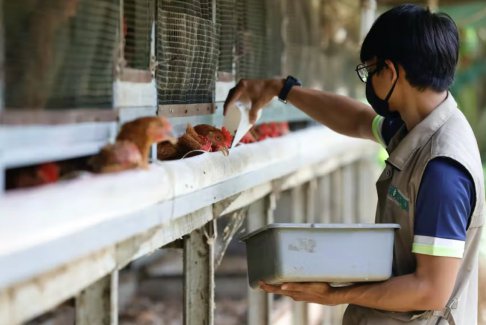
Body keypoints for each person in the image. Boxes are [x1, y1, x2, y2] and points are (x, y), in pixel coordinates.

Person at [223, 4, 485, 325]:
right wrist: (283, 89)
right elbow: (357, 119)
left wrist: (334, 294)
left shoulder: (442, 168)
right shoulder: (415, 129)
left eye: (370, 70)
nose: (368, 81)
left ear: (390, 71)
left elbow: (430, 289)